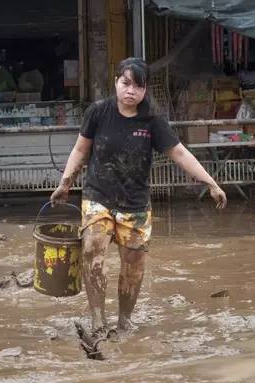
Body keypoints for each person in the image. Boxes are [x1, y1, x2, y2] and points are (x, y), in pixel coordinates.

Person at [50, 57, 227, 338]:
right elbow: (80, 150)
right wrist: (66, 182)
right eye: (126, 83)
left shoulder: (153, 121)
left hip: (135, 204)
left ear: (145, 91)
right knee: (92, 248)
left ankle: (124, 320)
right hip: (98, 196)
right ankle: (97, 319)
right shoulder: (98, 112)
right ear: (116, 83)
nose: (131, 91)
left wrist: (211, 183)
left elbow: (180, 153)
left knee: (133, 266)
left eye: (138, 86)